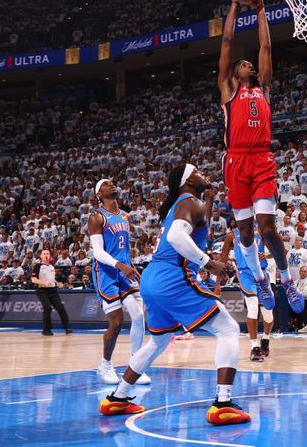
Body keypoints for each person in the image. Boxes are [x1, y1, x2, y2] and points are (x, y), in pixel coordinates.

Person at [100, 163, 251, 426]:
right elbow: (176, 237)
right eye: (196, 171)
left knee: (159, 341)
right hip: (172, 277)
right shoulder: (190, 201)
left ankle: (117, 398)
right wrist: (208, 262)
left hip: (152, 278)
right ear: (187, 180)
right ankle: (223, 404)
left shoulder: (184, 204)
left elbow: (197, 228)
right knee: (227, 329)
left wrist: (210, 200)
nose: (202, 172)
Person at [217, 0, 304, 315]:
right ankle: (259, 277)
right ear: (236, 72)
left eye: (250, 63)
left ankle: (285, 279)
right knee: (246, 232)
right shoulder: (228, 89)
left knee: (267, 227)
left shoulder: (263, 88)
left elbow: (266, 48)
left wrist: (262, 9)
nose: (249, 63)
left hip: (262, 158)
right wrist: (236, 6)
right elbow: (226, 41)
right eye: (243, 63)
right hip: (236, 161)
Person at [89, 179, 150, 385]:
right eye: (105, 184)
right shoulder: (96, 217)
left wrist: (129, 266)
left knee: (139, 315)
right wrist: (120, 266)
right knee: (116, 323)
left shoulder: (125, 215)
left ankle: (135, 365)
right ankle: (105, 365)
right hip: (106, 272)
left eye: (112, 183)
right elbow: (98, 252)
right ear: (99, 194)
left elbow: (122, 248)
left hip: (124, 270)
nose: (111, 185)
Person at [220, 225, 275, 362]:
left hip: (261, 274)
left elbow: (276, 250)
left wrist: (267, 255)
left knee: (268, 313)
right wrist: (217, 284)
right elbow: (222, 259)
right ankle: (254, 347)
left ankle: (266, 339)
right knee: (253, 306)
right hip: (245, 274)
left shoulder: (261, 230)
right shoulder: (231, 235)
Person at [31, 249, 72, 336]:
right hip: (42, 290)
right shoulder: (37, 266)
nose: (46, 255)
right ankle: (46, 329)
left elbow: (51, 278)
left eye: (48, 253)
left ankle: (67, 327)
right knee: (47, 308)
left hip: (53, 290)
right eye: (44, 253)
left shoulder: (52, 267)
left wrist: (57, 283)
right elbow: (33, 279)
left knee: (60, 307)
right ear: (41, 256)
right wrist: (43, 282)